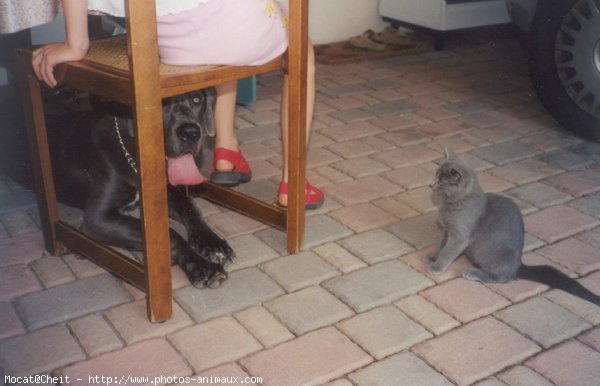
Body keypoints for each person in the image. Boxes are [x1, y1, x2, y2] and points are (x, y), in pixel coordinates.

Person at [32, 0, 324, 209]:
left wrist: (75, 43)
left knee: (226, 37)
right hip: (233, 31)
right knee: (302, 45)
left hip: (173, 42)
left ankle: (226, 150)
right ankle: (293, 185)